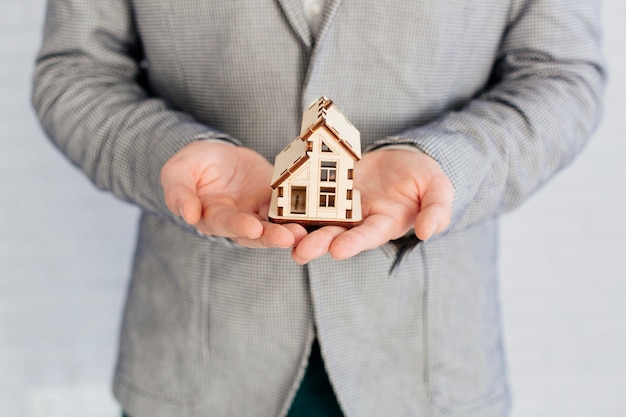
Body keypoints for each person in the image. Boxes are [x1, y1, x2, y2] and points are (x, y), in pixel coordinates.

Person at [32, 0, 605, 416]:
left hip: (429, 367)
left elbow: (562, 75)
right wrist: (168, 153)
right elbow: (75, 71)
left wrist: (448, 165)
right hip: (197, 364)